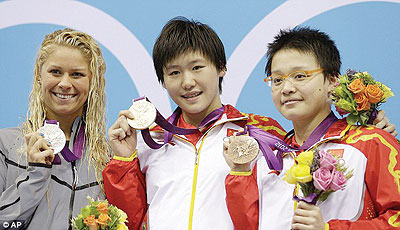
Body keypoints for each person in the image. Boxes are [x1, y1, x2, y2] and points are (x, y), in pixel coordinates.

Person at [102, 17, 287, 230]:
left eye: (197, 67)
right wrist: (125, 159)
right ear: (163, 80)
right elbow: (129, 222)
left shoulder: (260, 133)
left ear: (221, 67)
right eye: (174, 73)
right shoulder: (149, 140)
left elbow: (277, 213)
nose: (187, 82)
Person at [224, 27, 400, 229]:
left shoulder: (370, 143)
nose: (287, 88)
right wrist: (240, 173)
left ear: (332, 81)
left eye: (300, 76)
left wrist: (329, 229)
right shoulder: (270, 158)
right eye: (277, 80)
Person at [0, 28, 109, 229]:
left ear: (92, 82)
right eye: (55, 72)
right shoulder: (5, 145)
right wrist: (35, 176)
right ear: (39, 75)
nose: (65, 83)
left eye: (77, 74)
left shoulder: (105, 157)